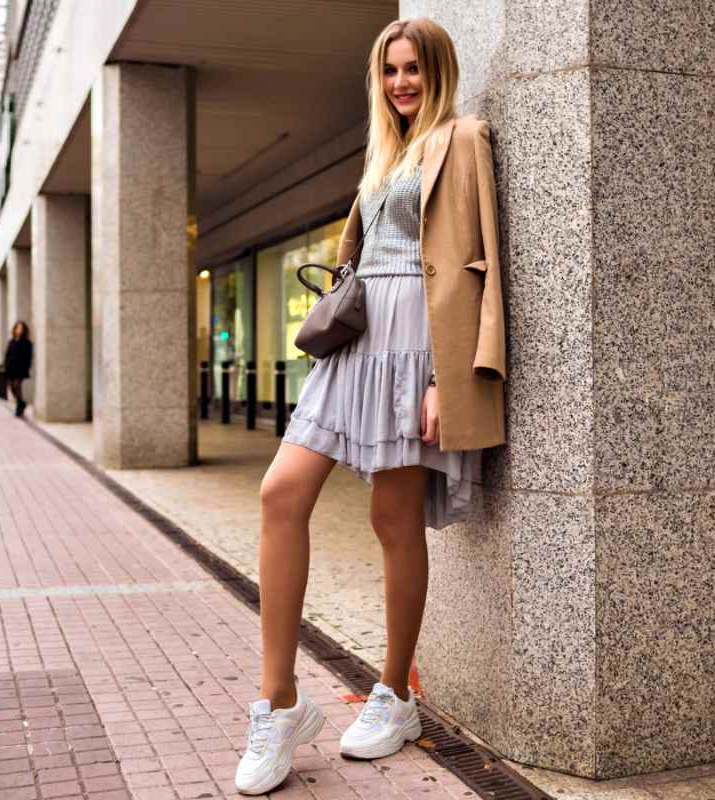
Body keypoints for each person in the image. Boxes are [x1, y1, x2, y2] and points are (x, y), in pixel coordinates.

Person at [234, 18, 506, 796]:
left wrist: (448, 379)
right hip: (356, 345)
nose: (400, 83)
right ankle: (279, 703)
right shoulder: (384, 151)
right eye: (390, 70)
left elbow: (479, 265)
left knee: (394, 522)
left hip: (418, 347)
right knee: (280, 491)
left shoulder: (463, 140)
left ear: (438, 70)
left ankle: (395, 694)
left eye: (413, 68)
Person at [3, 321, 33, 418]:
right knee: (12, 387)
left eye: (21, 328)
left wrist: (27, 368)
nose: (19, 330)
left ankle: (18, 408)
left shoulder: (27, 343)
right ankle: (22, 403)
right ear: (14, 329)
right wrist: (5, 366)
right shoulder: (12, 341)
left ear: (24, 330)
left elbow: (29, 357)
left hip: (21, 369)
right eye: (17, 328)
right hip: (11, 368)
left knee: (17, 386)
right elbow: (7, 355)